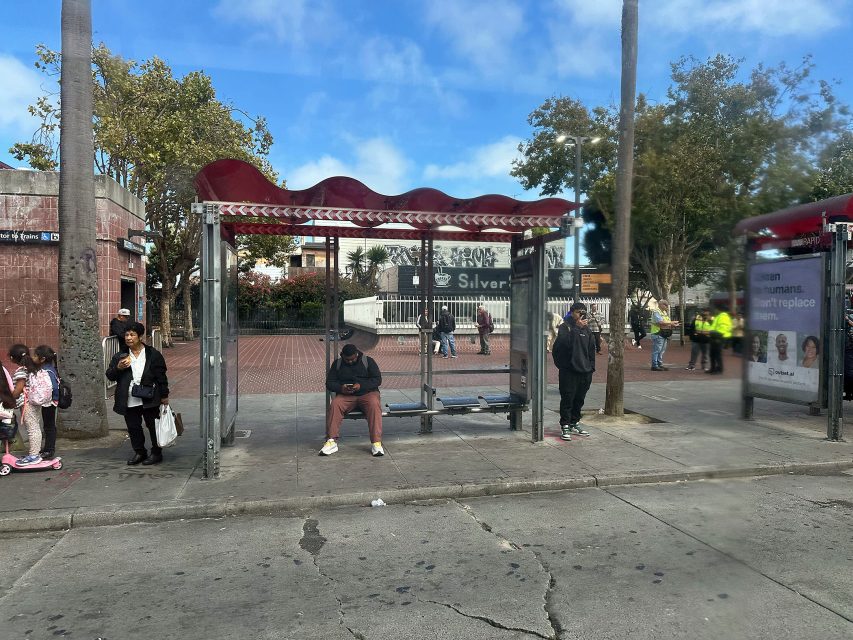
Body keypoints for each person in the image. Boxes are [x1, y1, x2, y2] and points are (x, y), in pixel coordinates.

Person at [105, 322, 170, 465]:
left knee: (153, 425)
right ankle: (139, 452)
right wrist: (118, 367)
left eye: (132, 335)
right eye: (126, 335)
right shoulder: (120, 356)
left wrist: (164, 395)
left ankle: (156, 452)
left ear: (140, 337)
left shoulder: (152, 354)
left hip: (149, 397)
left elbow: (161, 376)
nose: (128, 338)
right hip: (128, 398)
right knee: (133, 427)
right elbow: (110, 375)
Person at [320, 344, 384, 457]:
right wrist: (341, 388)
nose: (350, 361)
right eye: (347, 359)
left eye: (353, 359)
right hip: (346, 396)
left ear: (357, 354)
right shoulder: (337, 364)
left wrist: (361, 386)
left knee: (374, 404)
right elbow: (329, 383)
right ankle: (331, 441)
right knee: (335, 404)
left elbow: (377, 380)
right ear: (342, 356)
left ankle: (376, 442)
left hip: (367, 393)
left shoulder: (368, 361)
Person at [552, 302, 595, 441]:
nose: (580, 315)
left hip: (585, 371)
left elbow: (591, 350)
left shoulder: (587, 330)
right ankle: (565, 425)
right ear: (572, 312)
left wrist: (591, 368)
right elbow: (562, 345)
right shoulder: (566, 327)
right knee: (567, 399)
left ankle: (574, 422)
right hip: (569, 371)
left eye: (583, 312)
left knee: (579, 399)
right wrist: (576, 328)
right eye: (578, 312)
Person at [7, 344, 50, 466]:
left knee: (32, 429)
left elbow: (19, 389)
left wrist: (11, 397)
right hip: (33, 402)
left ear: (12, 358)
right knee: (35, 426)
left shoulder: (21, 371)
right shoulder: (32, 368)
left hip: (27, 404)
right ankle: (34, 453)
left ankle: (34, 455)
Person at [32, 345, 60, 460]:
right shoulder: (48, 369)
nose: (33, 357)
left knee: (49, 426)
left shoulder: (46, 371)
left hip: (49, 402)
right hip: (48, 401)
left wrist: (47, 399)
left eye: (35, 355)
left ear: (42, 359)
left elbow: (52, 387)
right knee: (48, 425)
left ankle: (49, 449)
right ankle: (47, 448)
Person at [650, 300, 679, 371]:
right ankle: (654, 365)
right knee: (657, 350)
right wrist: (672, 323)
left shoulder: (664, 312)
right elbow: (660, 322)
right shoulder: (656, 312)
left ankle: (659, 364)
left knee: (661, 350)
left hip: (663, 333)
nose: (667, 307)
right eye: (666, 305)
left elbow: (667, 323)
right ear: (661, 305)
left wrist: (672, 325)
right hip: (657, 333)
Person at [707, 304, 732, 374]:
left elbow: (722, 329)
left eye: (716, 309)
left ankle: (719, 369)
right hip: (715, 337)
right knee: (712, 354)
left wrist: (714, 334)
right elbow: (714, 326)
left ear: (719, 310)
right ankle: (713, 368)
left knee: (717, 354)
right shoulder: (719, 316)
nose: (715, 310)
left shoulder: (723, 317)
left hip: (719, 338)